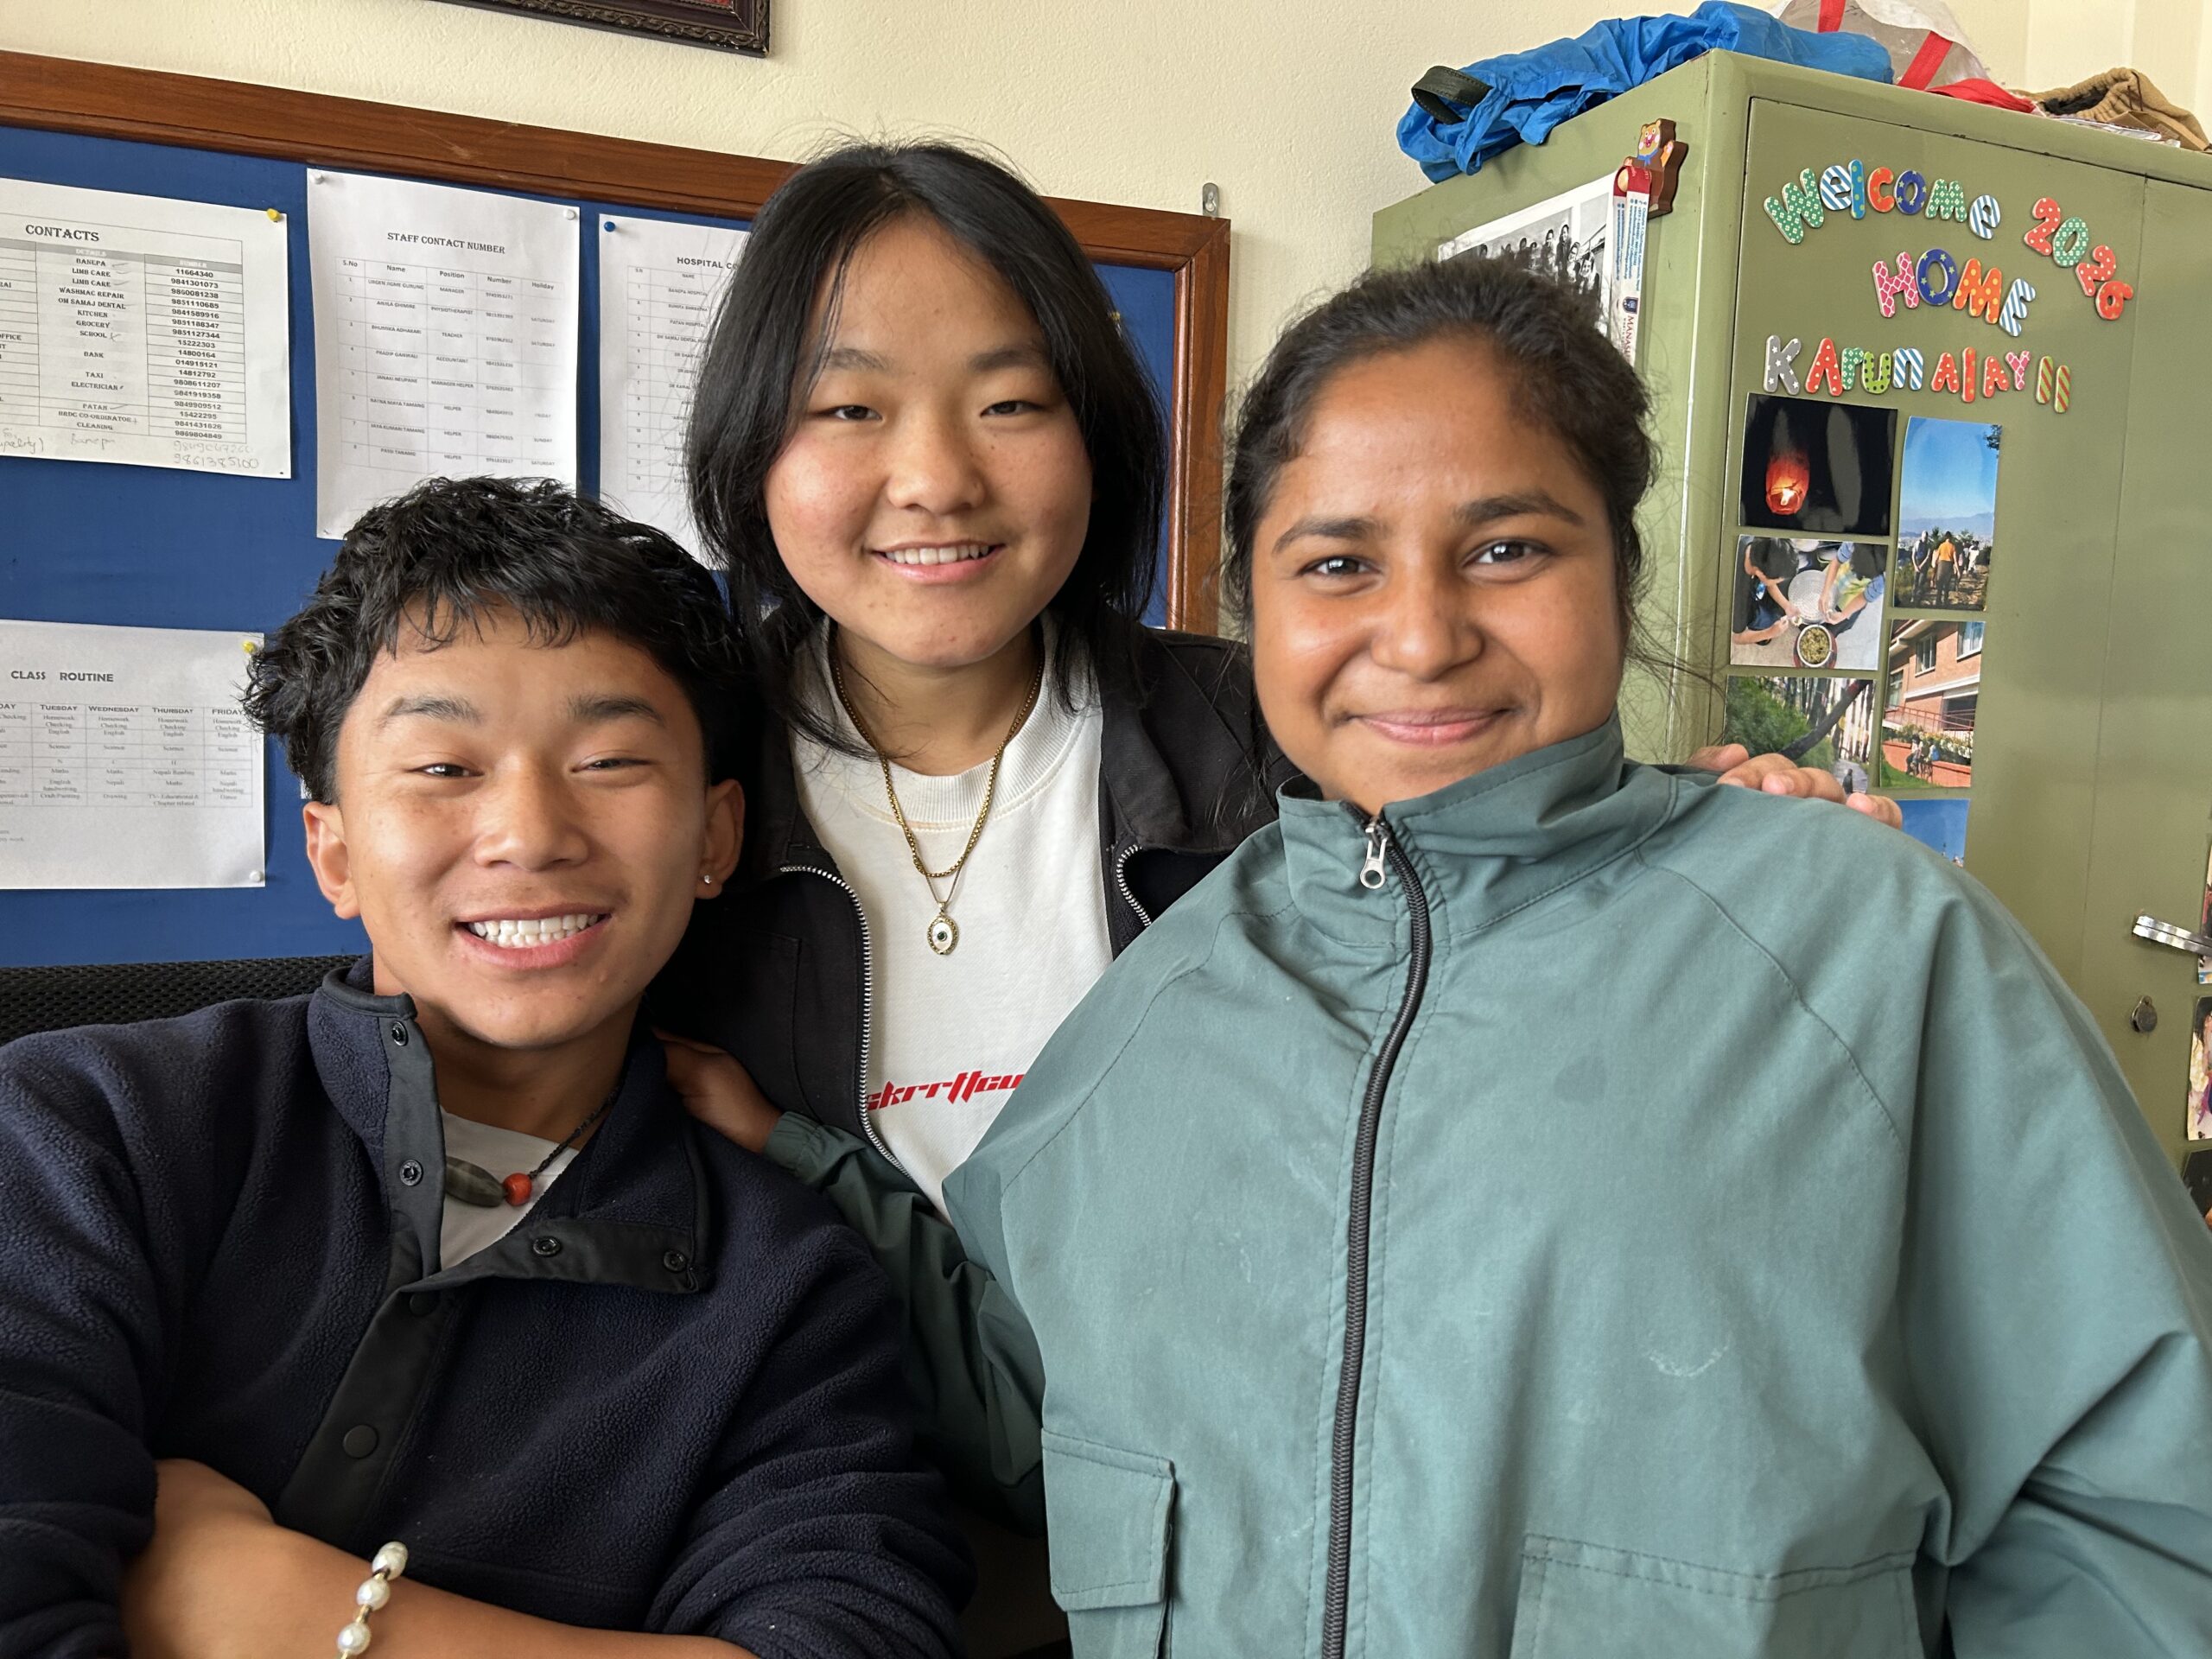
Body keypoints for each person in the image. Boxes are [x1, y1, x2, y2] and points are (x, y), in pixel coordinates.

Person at [656, 141, 1898, 1652]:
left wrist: (1728, 845)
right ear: (751, 444)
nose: (936, 478)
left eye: (1011, 402)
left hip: (1258, 1579)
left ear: (1098, 435)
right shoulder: (654, 782)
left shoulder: (1297, 736)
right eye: (849, 409)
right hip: (793, 1589)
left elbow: (1545, 914)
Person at [942, 256, 2212, 1655]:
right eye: (1339, 564)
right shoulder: (1166, 1000)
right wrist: (775, 1154)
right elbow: (1011, 1392)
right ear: (1252, 603)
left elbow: (2139, 1506)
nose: (1422, 636)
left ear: (1622, 571)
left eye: (1507, 550)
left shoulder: (1876, 954)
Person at [0, 479, 969, 1659]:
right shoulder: (86, 1134)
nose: (530, 833)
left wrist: (285, 1606)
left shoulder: (789, 1288)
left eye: (609, 759)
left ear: (715, 839)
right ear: (334, 852)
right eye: (443, 769)